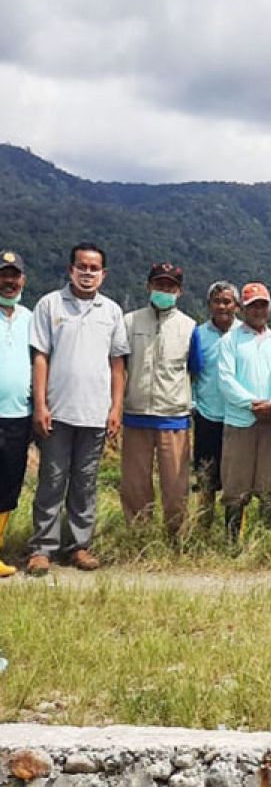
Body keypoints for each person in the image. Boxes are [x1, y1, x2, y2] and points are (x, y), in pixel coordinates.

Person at [27, 242, 130, 576]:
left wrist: (116, 408)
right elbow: (40, 357)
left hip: (95, 414)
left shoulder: (111, 311)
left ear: (104, 274)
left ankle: (80, 546)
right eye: (82, 267)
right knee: (51, 480)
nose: (88, 273)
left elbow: (117, 365)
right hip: (57, 412)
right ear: (70, 270)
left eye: (94, 268)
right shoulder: (50, 304)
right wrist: (40, 404)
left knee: (85, 482)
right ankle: (42, 548)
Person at [120, 263, 201, 539]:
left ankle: (176, 539)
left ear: (179, 291)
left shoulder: (190, 327)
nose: (164, 290)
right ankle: (138, 538)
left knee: (176, 486)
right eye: (159, 284)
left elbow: (194, 369)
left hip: (173, 417)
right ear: (148, 286)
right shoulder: (129, 322)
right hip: (135, 414)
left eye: (170, 286)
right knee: (134, 484)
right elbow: (120, 366)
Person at [217, 282, 271, 542]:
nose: (258, 310)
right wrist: (252, 404)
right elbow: (226, 380)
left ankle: (264, 542)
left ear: (269, 307)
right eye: (252, 305)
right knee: (235, 486)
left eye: (262, 305)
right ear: (243, 309)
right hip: (240, 421)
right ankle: (233, 543)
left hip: (270, 422)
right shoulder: (229, 340)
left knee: (270, 486)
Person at [193, 281, 241, 523]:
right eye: (217, 301)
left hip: (239, 418)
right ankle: (203, 529)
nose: (222, 306)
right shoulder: (198, 335)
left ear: (237, 306)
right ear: (209, 305)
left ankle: (233, 533)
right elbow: (190, 373)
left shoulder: (246, 333)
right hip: (207, 416)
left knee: (235, 480)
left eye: (227, 301)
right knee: (206, 479)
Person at [0, 251, 31, 577]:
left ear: (23, 280)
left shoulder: (30, 318)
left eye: (14, 275)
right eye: (4, 275)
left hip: (18, 416)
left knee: (8, 485)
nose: (9, 281)